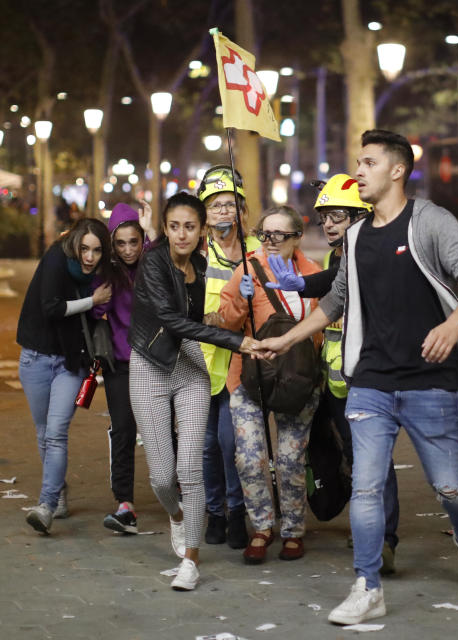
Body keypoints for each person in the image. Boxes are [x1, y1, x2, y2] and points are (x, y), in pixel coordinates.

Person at [256, 129, 458, 626]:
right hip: (371, 382)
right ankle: (367, 585)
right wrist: (285, 339)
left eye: (366, 163)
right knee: (365, 488)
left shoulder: (430, 221)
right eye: (357, 162)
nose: (357, 171)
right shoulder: (358, 237)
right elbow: (335, 302)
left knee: (449, 486)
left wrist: (453, 325)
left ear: (396, 170)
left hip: (431, 380)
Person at [267, 174, 401, 574]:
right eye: (324, 216)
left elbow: (340, 287)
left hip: (372, 375)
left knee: (375, 458)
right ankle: (370, 529)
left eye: (337, 216)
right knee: (356, 457)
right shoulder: (338, 256)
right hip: (339, 378)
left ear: (360, 216)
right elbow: (335, 286)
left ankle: (385, 539)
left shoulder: (372, 253)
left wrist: (302, 285)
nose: (328, 224)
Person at [129, 192, 258, 591]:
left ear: (202, 230)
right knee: (163, 478)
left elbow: (191, 319)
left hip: (188, 365)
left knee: (190, 468)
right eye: (173, 226)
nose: (181, 234)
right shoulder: (152, 263)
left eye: (189, 226)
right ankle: (178, 516)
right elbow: (169, 318)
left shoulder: (201, 265)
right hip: (149, 363)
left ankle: (191, 558)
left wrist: (228, 315)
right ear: (165, 229)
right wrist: (235, 342)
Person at [218, 205, 323, 565]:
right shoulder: (247, 268)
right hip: (250, 377)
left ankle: (293, 530)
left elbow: (322, 329)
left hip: (297, 379)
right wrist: (241, 300)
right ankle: (262, 526)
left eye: (281, 235)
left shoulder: (313, 275)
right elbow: (227, 324)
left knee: (291, 458)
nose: (272, 241)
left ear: (298, 237)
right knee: (249, 457)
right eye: (266, 234)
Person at [17, 218, 114, 534]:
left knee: (56, 431)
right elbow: (51, 308)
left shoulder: (103, 273)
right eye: (84, 249)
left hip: (72, 364)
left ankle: (45, 505)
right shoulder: (57, 258)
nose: (90, 257)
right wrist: (93, 300)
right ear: (74, 245)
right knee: (43, 431)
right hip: (36, 357)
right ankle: (57, 491)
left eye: (97, 251)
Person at [195, 165, 260, 549]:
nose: (223, 212)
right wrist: (214, 319)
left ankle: (238, 513)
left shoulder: (256, 251)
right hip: (202, 366)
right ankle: (214, 513)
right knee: (206, 446)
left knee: (232, 443)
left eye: (230, 204)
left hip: (244, 366)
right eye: (215, 205)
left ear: (241, 209)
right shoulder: (200, 255)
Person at [92, 201, 157, 534]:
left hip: (158, 361)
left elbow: (172, 265)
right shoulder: (107, 271)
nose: (129, 249)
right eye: (121, 243)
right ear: (112, 244)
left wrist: (152, 232)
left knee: (165, 432)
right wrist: (95, 303)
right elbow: (91, 312)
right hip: (120, 363)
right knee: (123, 431)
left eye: (135, 241)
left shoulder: (153, 261)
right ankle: (125, 503)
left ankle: (178, 495)